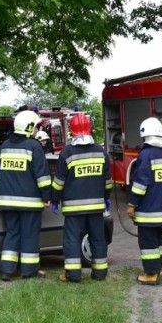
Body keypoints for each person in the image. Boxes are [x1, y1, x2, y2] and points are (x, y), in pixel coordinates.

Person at [51, 114, 112, 282]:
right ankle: (100, 274)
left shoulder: (67, 153)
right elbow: (107, 182)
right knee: (98, 239)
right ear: (90, 128)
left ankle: (73, 275)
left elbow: (58, 183)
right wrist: (106, 198)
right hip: (96, 208)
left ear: (71, 131)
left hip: (73, 209)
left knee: (72, 240)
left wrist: (54, 200)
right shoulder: (101, 152)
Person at [0, 110, 52, 280]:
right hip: (30, 203)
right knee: (29, 235)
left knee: (12, 233)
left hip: (7, 201)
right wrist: (46, 196)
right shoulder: (34, 146)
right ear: (28, 127)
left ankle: (7, 270)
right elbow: (42, 176)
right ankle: (29, 271)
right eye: (35, 127)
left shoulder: (4, 146)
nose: (37, 130)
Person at [127, 117, 162, 285]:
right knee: (158, 241)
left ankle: (151, 274)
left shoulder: (146, 155)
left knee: (147, 243)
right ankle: (157, 268)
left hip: (147, 210)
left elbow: (140, 184)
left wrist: (132, 204)